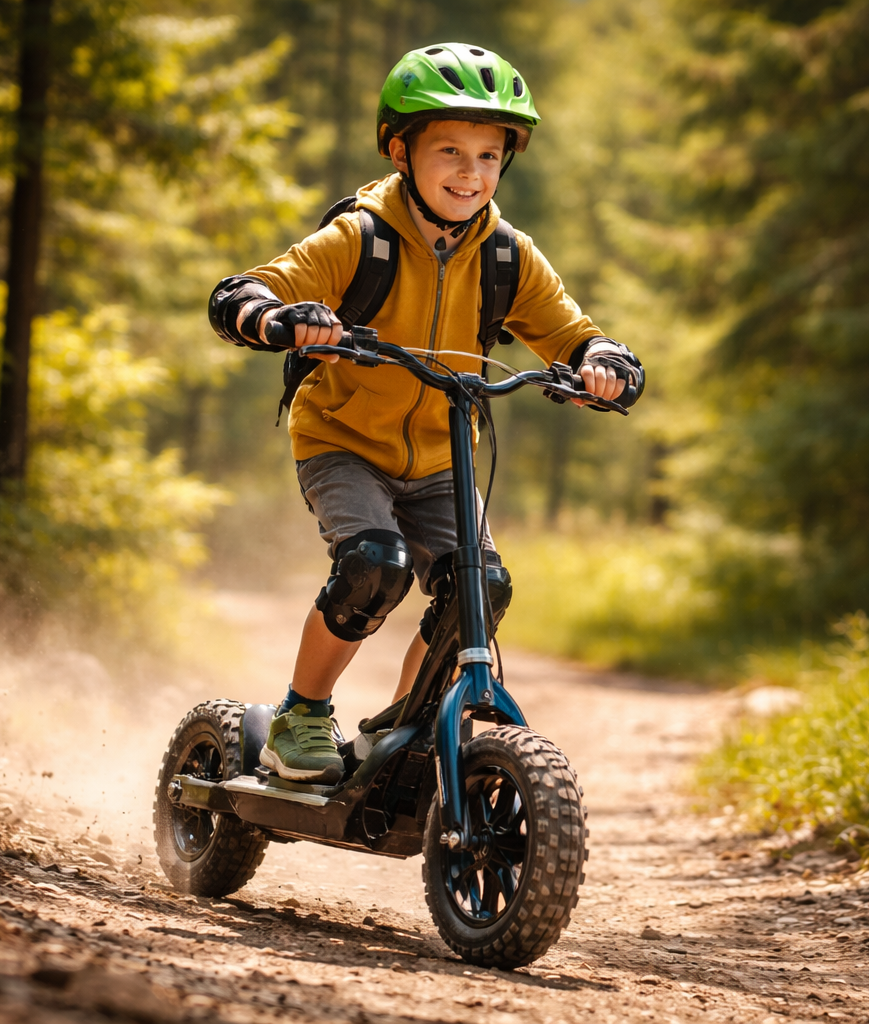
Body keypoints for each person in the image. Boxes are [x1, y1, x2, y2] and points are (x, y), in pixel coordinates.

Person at [207, 42, 644, 783]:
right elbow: (250, 290)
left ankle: (405, 730)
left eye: (488, 154)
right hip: (343, 441)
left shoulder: (507, 256)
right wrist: (282, 318)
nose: (470, 172)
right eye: (448, 149)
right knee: (376, 567)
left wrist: (604, 363)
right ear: (400, 150)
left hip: (443, 457)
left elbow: (574, 332)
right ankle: (302, 713)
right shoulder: (361, 237)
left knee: (481, 587)